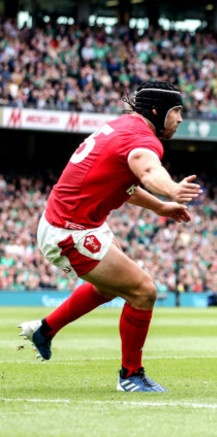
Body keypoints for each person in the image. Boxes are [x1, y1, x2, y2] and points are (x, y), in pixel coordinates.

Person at [18, 80, 202, 392]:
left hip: (75, 221)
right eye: (176, 111)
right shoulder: (144, 141)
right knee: (143, 291)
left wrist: (160, 206)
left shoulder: (121, 127)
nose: (180, 119)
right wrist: (172, 189)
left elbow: (121, 183)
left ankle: (45, 331)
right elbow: (147, 171)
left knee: (110, 288)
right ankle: (130, 376)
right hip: (70, 230)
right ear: (157, 111)